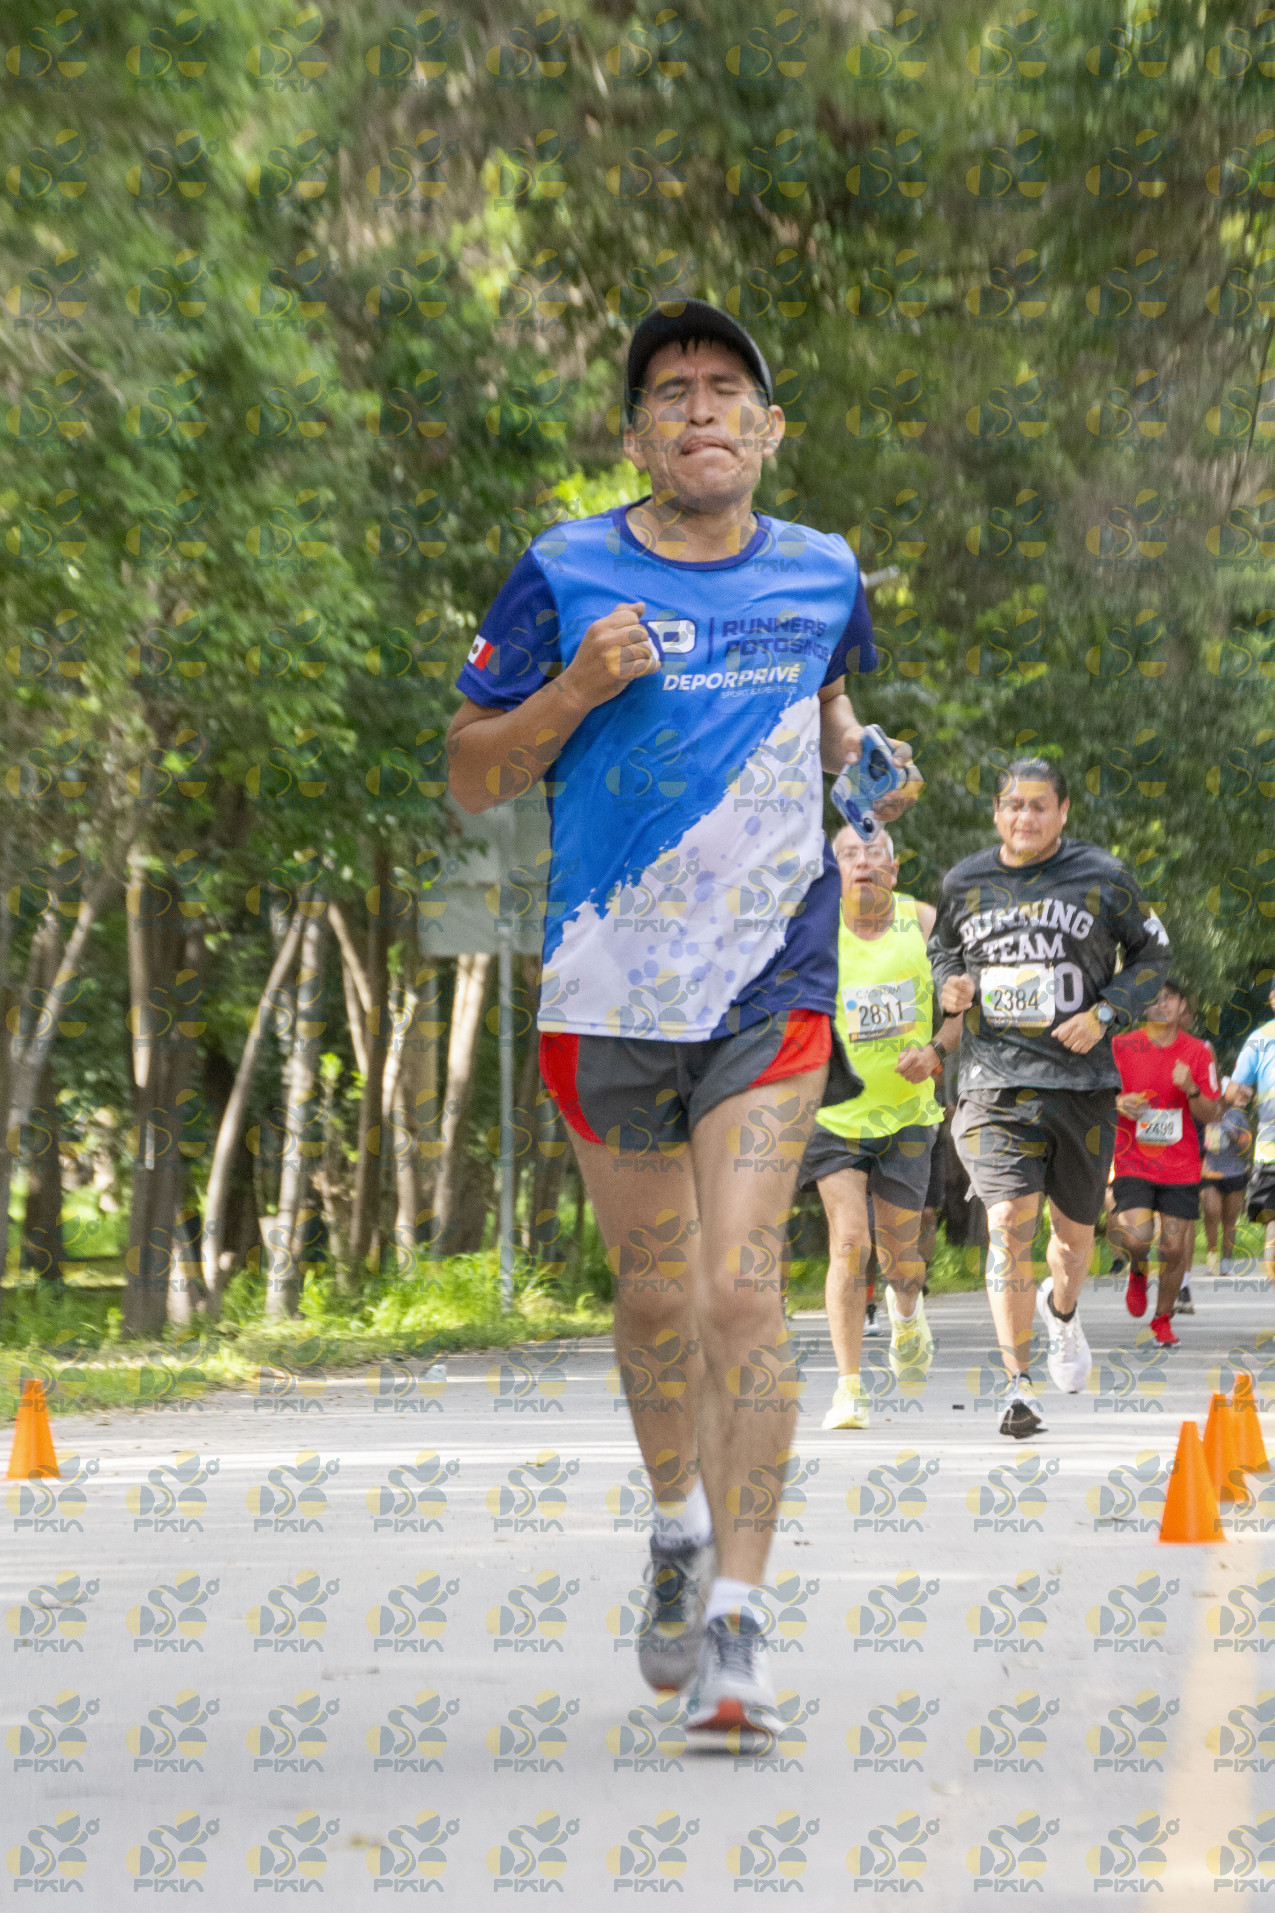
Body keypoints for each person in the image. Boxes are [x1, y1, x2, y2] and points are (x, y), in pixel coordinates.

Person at [446, 299, 918, 1732]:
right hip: (608, 987)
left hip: (769, 982)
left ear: (768, 430)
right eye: (671, 391)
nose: (701, 408)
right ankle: (675, 1526)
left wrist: (867, 766)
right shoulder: (562, 569)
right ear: (637, 435)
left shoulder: (824, 570)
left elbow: (830, 717)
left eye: (726, 389)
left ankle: (737, 1624)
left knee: (737, 1289)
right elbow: (470, 774)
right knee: (656, 1293)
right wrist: (574, 689)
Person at [928, 759, 1171, 1438]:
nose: (1024, 817)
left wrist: (1104, 1014)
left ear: (1063, 812)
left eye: (1039, 806)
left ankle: (1061, 1311)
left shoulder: (1103, 875)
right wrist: (950, 984)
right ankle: (1017, 1384)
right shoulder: (964, 881)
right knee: (1009, 1219)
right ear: (995, 813)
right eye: (1012, 805)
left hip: (1080, 1082)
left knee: (1072, 1236)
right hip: (992, 1081)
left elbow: (1153, 958)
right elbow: (943, 951)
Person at [796, 824, 963, 1429]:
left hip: (908, 1115)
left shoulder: (923, 923)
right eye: (849, 853)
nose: (862, 861)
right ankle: (848, 1389)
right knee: (849, 1243)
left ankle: (907, 1313)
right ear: (833, 869)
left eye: (874, 853)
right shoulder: (814, 930)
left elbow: (957, 1016)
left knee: (901, 1259)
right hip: (835, 1117)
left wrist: (934, 1051)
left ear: (893, 869)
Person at [1108, 979, 1221, 1345]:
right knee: (1138, 1237)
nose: (1160, 1004)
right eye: (1152, 998)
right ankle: (1137, 1270)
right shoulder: (1120, 1046)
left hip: (1180, 1165)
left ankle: (1161, 1319)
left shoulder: (1198, 1052)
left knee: (1173, 1249)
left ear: (1181, 1004)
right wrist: (1118, 1102)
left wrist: (1191, 1089)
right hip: (1133, 1159)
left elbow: (1212, 1113)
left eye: (1167, 997)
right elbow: (1095, 1096)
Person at [1225, 973, 1275, 1292]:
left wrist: (1241, 1093)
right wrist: (1240, 1093)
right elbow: (1234, 1092)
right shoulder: (1260, 1039)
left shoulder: (1259, 1038)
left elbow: (1234, 1091)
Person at [1199, 1079, 1252, 1289]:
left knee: (1230, 1219)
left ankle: (1227, 1261)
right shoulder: (1204, 1112)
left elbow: (1247, 1147)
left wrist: (1237, 1139)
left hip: (1234, 1173)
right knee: (1211, 1213)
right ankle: (1212, 1257)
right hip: (1210, 1172)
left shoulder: (1237, 1115)